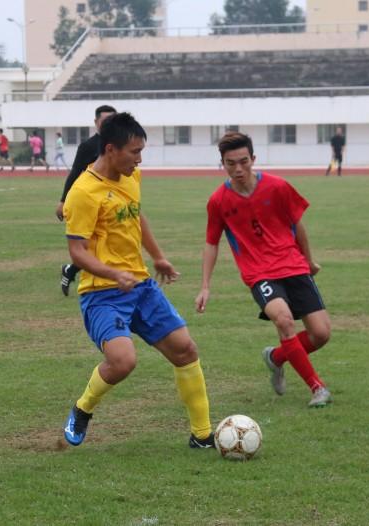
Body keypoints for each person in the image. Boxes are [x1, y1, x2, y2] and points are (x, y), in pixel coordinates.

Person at [62, 112, 214, 448]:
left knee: (185, 350)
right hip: (102, 294)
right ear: (111, 149)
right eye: (134, 152)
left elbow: (136, 215)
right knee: (123, 361)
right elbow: (77, 252)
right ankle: (83, 408)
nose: (139, 159)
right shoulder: (83, 193)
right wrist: (112, 272)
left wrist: (157, 256)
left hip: (142, 287)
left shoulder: (131, 177)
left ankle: (202, 436)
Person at [195, 132, 333, 408]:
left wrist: (308, 260)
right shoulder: (218, 201)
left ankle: (276, 358)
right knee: (283, 320)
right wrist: (205, 286)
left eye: (243, 162)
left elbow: (298, 225)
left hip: (292, 264)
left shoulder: (278, 186)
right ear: (222, 163)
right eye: (230, 163)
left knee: (320, 334)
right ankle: (317, 388)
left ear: (253, 159)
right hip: (259, 273)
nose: (238, 169)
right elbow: (212, 244)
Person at [56, 104, 117, 296]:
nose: (109, 125)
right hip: (92, 203)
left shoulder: (120, 145)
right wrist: (63, 201)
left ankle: (71, 270)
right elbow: (74, 174)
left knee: (104, 243)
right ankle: (78, 272)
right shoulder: (88, 147)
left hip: (113, 202)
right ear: (96, 122)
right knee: (91, 244)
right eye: (105, 121)